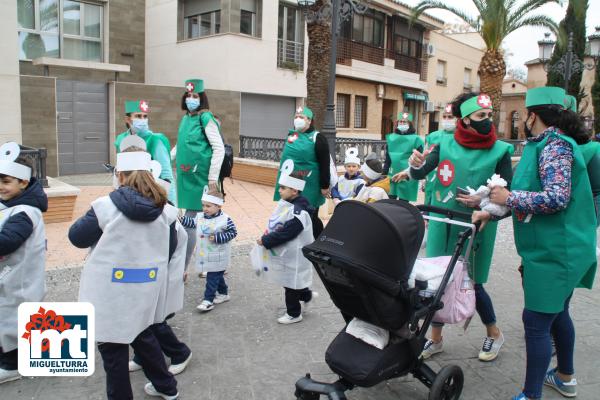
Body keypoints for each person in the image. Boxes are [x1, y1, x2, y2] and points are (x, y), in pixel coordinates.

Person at [474, 86, 596, 400]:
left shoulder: (554, 146)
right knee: (558, 314)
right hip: (551, 247)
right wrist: (493, 211)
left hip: (557, 251)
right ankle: (565, 377)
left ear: (532, 115)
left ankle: (530, 395)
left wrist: (508, 197)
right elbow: (529, 193)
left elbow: (556, 198)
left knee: (537, 320)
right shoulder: (542, 144)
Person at [397, 93, 514, 362]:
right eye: (480, 116)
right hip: (443, 222)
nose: (487, 121)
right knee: (438, 280)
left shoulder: (500, 150)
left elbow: (508, 195)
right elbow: (421, 172)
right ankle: (435, 338)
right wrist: (413, 166)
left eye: (489, 115)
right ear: (466, 119)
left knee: (473, 283)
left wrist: (482, 201)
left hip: (477, 225)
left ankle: (494, 333)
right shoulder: (444, 143)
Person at [70, 147, 183, 400]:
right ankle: (167, 386)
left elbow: (76, 237)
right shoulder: (166, 211)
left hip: (109, 291)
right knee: (142, 333)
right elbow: (171, 248)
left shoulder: (105, 207)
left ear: (120, 175)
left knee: (112, 347)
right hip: (145, 287)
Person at [0, 143, 47, 384]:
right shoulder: (10, 206)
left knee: (12, 322)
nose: (1, 187)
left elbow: (8, 240)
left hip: (18, 280)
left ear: (23, 183)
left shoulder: (25, 212)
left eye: (6, 181)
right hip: (9, 277)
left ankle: (12, 366)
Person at [175, 79, 225, 271]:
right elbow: (181, 146)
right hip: (186, 177)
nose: (191, 99)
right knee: (204, 222)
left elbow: (218, 148)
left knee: (194, 222)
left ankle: (185, 267)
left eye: (195, 96)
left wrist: (212, 179)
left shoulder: (206, 118)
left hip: (202, 179)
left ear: (202, 98)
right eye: (188, 96)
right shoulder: (185, 119)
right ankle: (210, 264)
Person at [258, 166, 316, 324]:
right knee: (293, 280)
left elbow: (287, 232)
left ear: (294, 191)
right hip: (289, 253)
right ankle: (307, 295)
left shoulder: (298, 212)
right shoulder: (287, 204)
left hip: (295, 254)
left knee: (290, 284)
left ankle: (294, 314)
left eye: (283, 188)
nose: (280, 191)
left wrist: (267, 240)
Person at [274, 106, 331, 236]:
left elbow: (325, 163)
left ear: (309, 121)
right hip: (291, 183)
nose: (298, 120)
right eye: (296, 117)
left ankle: (318, 240)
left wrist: (324, 185)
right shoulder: (292, 135)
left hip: (309, 185)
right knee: (294, 214)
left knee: (309, 215)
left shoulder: (318, 137)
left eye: (301, 117)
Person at [180, 190, 237, 312]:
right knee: (216, 275)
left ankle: (208, 300)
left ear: (218, 206)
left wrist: (218, 237)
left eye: (208, 206)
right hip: (206, 254)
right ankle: (223, 293)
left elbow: (233, 232)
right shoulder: (200, 216)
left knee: (212, 277)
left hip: (218, 255)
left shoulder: (225, 219)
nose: (204, 208)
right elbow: (192, 223)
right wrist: (182, 219)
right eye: (203, 205)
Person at [115, 100, 176, 203]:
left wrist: (171, 203)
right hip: (128, 195)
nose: (142, 120)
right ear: (128, 119)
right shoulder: (121, 139)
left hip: (151, 194)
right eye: (138, 116)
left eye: (145, 116)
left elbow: (166, 174)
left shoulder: (156, 140)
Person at [383, 112, 424, 201]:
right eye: (400, 122)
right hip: (392, 174)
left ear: (410, 124)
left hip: (407, 174)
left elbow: (420, 160)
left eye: (405, 122)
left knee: (403, 203)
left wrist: (417, 173)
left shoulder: (416, 140)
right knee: (390, 201)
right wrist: (384, 173)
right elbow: (388, 159)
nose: (402, 124)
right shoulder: (391, 138)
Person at [423, 104, 457, 205]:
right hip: (431, 178)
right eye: (444, 116)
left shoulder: (461, 138)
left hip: (450, 180)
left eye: (450, 117)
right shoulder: (432, 136)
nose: (447, 119)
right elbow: (425, 157)